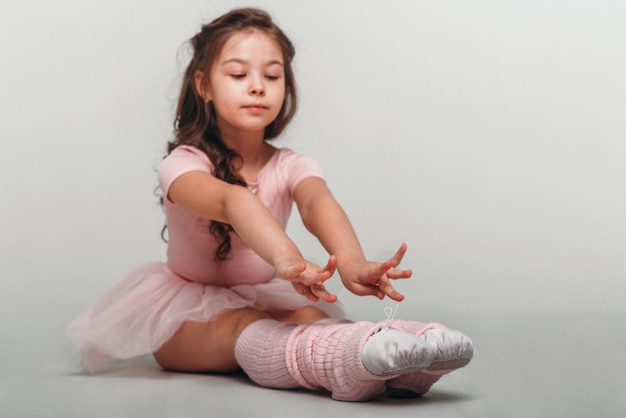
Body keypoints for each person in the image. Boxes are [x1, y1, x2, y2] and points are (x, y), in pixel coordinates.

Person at [66, 7, 474, 401]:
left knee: (313, 319)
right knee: (246, 324)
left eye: (272, 75)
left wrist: (351, 261)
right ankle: (347, 362)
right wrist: (287, 260)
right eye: (239, 74)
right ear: (204, 86)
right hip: (185, 316)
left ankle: (403, 358)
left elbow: (316, 202)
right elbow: (231, 200)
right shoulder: (184, 164)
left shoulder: (292, 164)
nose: (258, 85)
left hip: (268, 295)